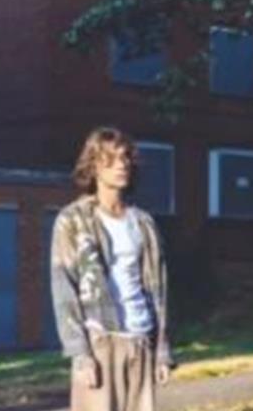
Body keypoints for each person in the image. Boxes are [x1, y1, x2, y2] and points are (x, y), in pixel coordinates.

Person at [51, 127, 174, 410]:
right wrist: (80, 353)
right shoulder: (73, 220)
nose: (122, 164)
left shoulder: (143, 223)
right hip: (100, 343)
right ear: (93, 165)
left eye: (126, 158)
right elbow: (63, 290)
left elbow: (160, 290)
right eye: (112, 158)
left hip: (140, 341)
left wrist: (162, 352)